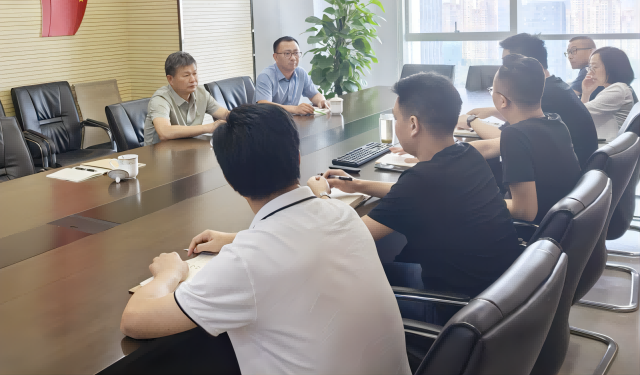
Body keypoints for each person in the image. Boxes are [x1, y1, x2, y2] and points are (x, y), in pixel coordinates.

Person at [122, 104, 411, 375]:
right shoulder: (342, 213)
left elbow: (134, 321)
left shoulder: (246, 263)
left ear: (230, 181)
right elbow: (296, 239)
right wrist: (238, 239)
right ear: (298, 157)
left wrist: (170, 273)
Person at [310, 72, 521, 301]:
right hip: (500, 295)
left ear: (413, 124)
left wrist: (322, 198)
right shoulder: (468, 155)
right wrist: (357, 185)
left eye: (396, 118)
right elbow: (417, 194)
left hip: (453, 307)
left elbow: (346, 239)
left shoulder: (421, 181)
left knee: (343, 281)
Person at [460, 33, 598, 169]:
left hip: (558, 175)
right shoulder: (554, 86)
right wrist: (493, 111)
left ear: (527, 64)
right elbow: (523, 125)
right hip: (572, 175)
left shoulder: (544, 94)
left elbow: (507, 138)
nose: (503, 68)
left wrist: (470, 120)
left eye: (508, 63)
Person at [492, 54, 581, 223]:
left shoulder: (515, 135)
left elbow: (524, 211)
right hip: (563, 224)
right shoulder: (555, 122)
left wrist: (480, 201)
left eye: (492, 90)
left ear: (502, 100)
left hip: (534, 230)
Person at [143, 52, 229, 146]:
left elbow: (225, 114)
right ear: (170, 79)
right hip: (158, 153)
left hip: (188, 149)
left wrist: (238, 116)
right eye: (186, 75)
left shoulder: (201, 93)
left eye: (194, 73)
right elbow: (164, 132)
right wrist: (209, 127)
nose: (193, 79)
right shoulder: (160, 99)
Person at [254, 36, 330, 115]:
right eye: (287, 54)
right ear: (276, 57)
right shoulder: (265, 76)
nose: (293, 58)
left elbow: (314, 95)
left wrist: (322, 101)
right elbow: (264, 105)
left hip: (291, 120)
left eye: (296, 53)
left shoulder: (301, 73)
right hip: (267, 120)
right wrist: (294, 109)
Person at [581, 46, 635, 142]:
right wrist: (586, 93)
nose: (590, 72)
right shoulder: (615, 89)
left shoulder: (618, 89)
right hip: (605, 144)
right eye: (590, 67)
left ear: (612, 68)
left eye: (595, 67)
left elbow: (579, 113)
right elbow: (582, 115)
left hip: (607, 146)